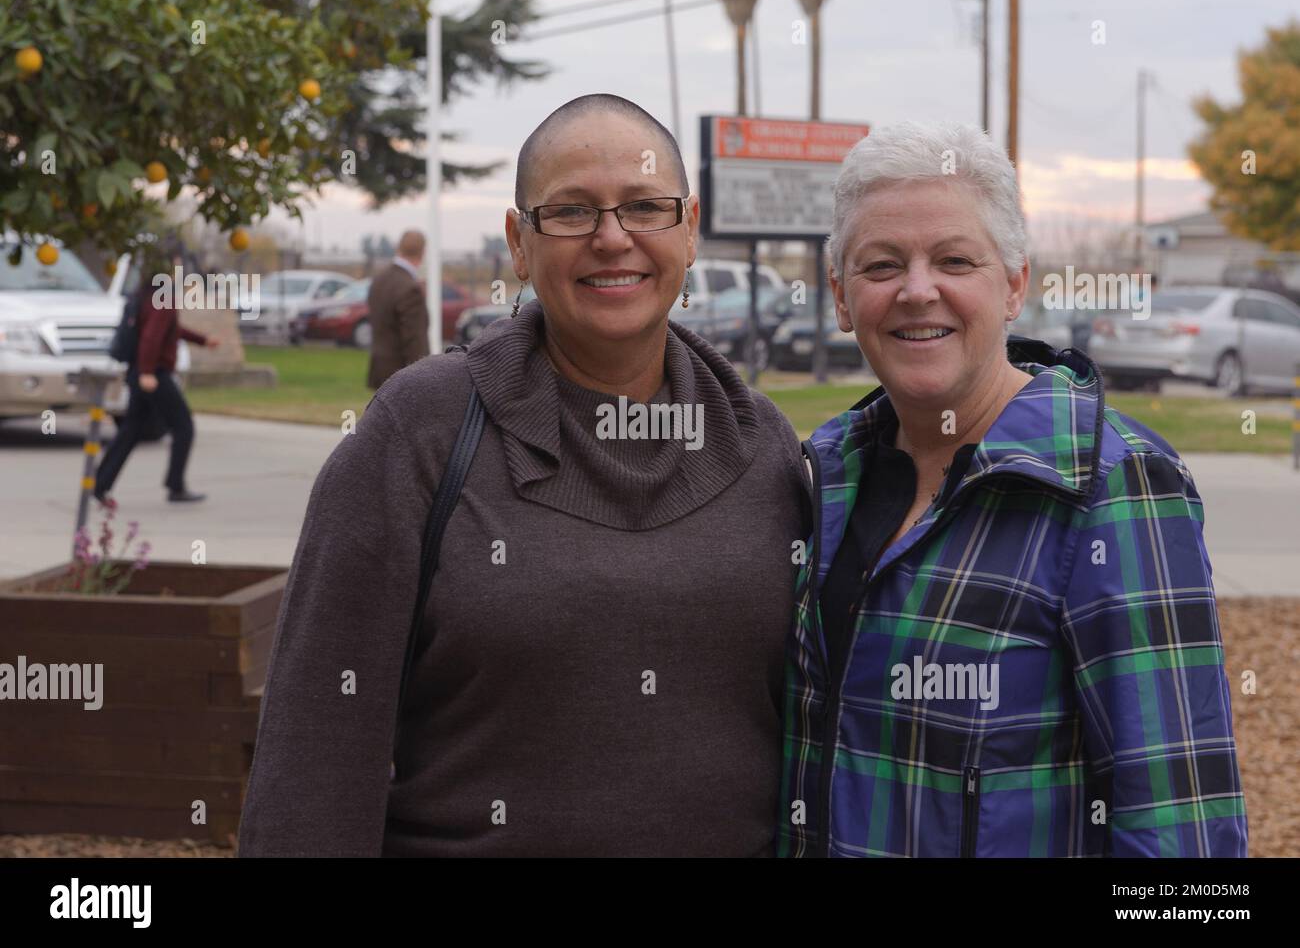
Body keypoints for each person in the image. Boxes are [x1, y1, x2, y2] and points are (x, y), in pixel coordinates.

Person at [239, 94, 809, 856]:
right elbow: (313, 752)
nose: (613, 239)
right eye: (572, 212)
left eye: (644, 207)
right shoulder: (422, 434)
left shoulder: (759, 443)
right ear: (518, 241)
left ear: (690, 228)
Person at [778, 122, 1247, 858]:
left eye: (955, 260)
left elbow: (1180, 834)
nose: (917, 289)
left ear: (1015, 284)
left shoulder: (1115, 487)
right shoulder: (824, 475)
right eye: (881, 265)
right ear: (840, 296)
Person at [94, 248, 219, 507]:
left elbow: (170, 330)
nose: (178, 267)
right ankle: (176, 486)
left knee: (130, 430)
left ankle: (100, 484)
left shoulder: (146, 294)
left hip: (140, 372)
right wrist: (148, 373)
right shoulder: (163, 297)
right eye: (175, 262)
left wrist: (202, 340)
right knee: (183, 426)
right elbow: (151, 337)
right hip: (154, 375)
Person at [366, 230, 428, 390]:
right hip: (401, 374)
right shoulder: (410, 288)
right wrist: (425, 376)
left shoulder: (378, 280)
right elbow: (414, 339)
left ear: (399, 248)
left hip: (379, 367)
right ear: (422, 252)